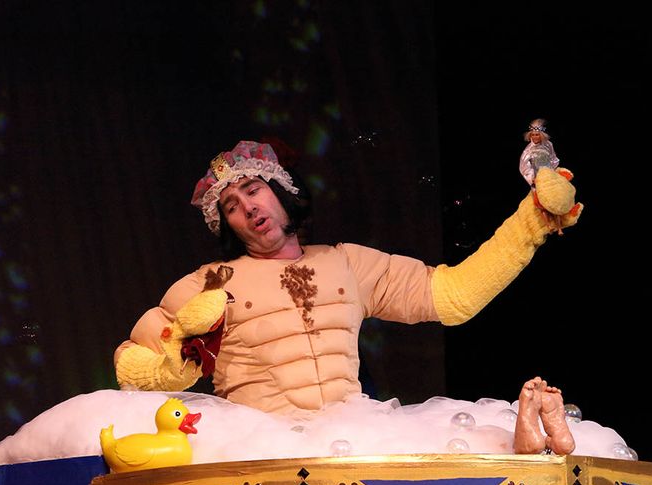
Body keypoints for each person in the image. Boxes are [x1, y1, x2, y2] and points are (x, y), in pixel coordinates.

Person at [113, 139, 584, 454]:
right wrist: (172, 365)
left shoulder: (348, 262)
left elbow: (455, 296)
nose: (248, 207)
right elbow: (133, 355)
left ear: (280, 191)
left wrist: (534, 221)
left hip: (350, 440)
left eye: (254, 190)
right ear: (226, 224)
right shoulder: (209, 282)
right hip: (259, 451)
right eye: (231, 206)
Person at [519, 119, 566, 235]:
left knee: (554, 200)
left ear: (541, 135)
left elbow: (554, 159)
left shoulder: (548, 145)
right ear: (530, 135)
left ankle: (559, 227)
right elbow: (524, 167)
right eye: (533, 135)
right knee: (542, 205)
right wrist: (532, 179)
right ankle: (548, 226)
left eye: (537, 135)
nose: (535, 137)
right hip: (537, 179)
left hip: (549, 176)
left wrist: (552, 171)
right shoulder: (528, 150)